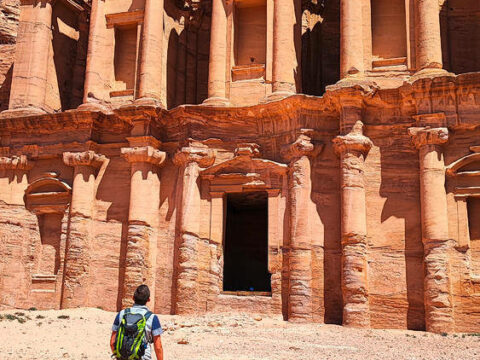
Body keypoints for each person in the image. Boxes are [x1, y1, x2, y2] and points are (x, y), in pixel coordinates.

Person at [110, 285, 164, 360]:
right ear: (148, 300)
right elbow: (158, 346)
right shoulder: (152, 317)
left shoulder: (121, 314)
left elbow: (112, 342)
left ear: (133, 298)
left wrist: (119, 356)